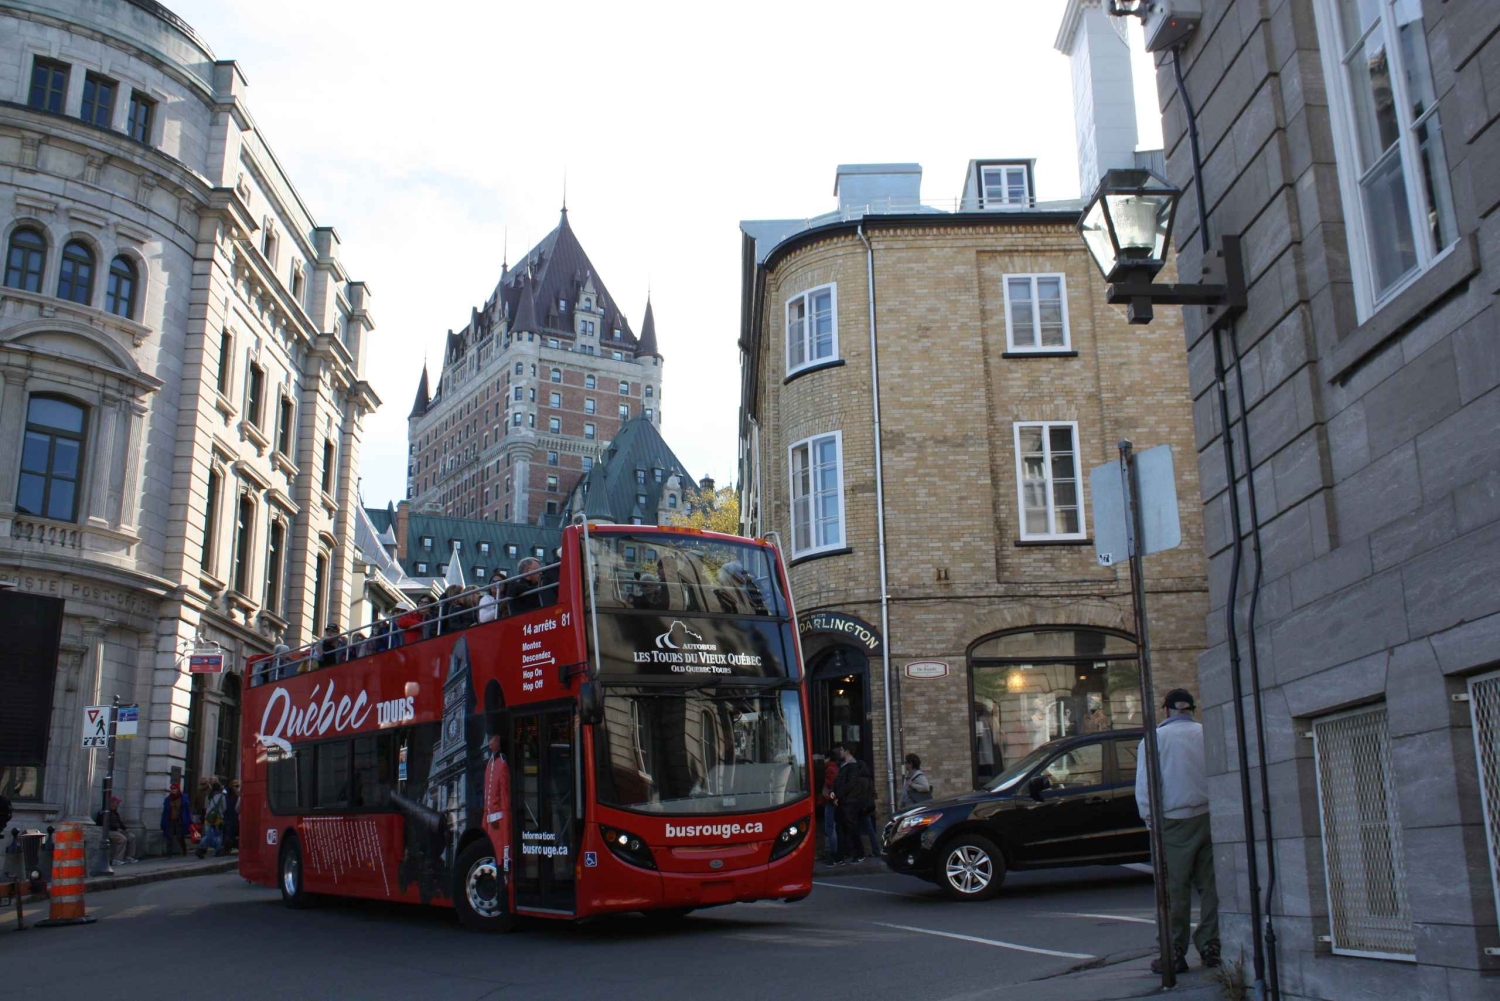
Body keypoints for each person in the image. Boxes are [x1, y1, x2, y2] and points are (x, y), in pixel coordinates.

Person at [1135, 688, 1220, 973]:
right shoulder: (1206, 733)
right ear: (1192, 709)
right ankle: (1211, 944)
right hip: (1209, 815)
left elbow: (1146, 784)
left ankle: (1174, 952)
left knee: (1173, 891)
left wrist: (1150, 820)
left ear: (1167, 711)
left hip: (1171, 821)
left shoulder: (1156, 738)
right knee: (1211, 887)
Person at [830, 745, 875, 864]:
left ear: (847, 751)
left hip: (849, 803)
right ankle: (840, 857)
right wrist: (833, 793)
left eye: (841, 749)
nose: (839, 752)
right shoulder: (843, 765)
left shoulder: (853, 766)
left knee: (852, 829)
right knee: (840, 830)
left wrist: (838, 796)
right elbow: (837, 782)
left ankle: (860, 854)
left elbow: (850, 784)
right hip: (842, 802)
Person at [96, 795, 137, 864]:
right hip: (108, 831)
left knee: (131, 837)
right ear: (112, 803)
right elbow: (105, 824)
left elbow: (120, 823)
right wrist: (116, 829)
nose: (118, 804)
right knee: (122, 839)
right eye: (117, 802)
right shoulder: (104, 812)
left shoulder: (115, 813)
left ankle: (129, 857)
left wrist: (125, 829)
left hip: (117, 830)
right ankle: (117, 859)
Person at [160, 782, 193, 857]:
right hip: (170, 820)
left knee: (179, 836)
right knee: (169, 836)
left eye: (174, 788)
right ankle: (169, 853)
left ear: (178, 789)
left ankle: (184, 849)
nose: (173, 790)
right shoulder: (168, 799)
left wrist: (189, 819)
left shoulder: (183, 798)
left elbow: (187, 810)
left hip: (180, 820)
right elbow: (165, 811)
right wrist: (163, 822)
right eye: (172, 789)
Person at [197, 779, 228, 858]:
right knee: (218, 835)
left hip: (208, 817)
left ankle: (200, 848)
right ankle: (217, 851)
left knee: (207, 835)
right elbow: (224, 808)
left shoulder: (208, 796)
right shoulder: (222, 796)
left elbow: (205, 807)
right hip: (218, 818)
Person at [820, 752, 840, 863]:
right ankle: (834, 853)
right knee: (832, 828)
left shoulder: (829, 768)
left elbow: (831, 783)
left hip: (830, 802)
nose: (822, 760)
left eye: (824, 757)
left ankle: (833, 854)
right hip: (832, 801)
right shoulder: (834, 767)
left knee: (830, 828)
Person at [224, 779, 240, 852]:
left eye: (237, 785)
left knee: (231, 831)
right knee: (229, 831)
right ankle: (228, 846)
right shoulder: (227, 792)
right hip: (229, 814)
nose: (236, 787)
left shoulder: (238, 794)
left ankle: (229, 845)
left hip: (234, 815)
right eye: (234, 785)